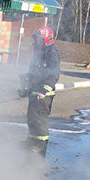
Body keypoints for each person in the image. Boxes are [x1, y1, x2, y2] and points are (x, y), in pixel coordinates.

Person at [22, 26, 60, 157]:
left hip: (44, 94)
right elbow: (34, 73)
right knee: (32, 118)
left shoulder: (52, 54)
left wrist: (44, 89)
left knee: (39, 120)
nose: (37, 42)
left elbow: (53, 74)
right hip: (35, 92)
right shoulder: (38, 53)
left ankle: (41, 146)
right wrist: (26, 86)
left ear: (46, 40)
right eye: (36, 39)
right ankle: (32, 141)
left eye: (40, 39)